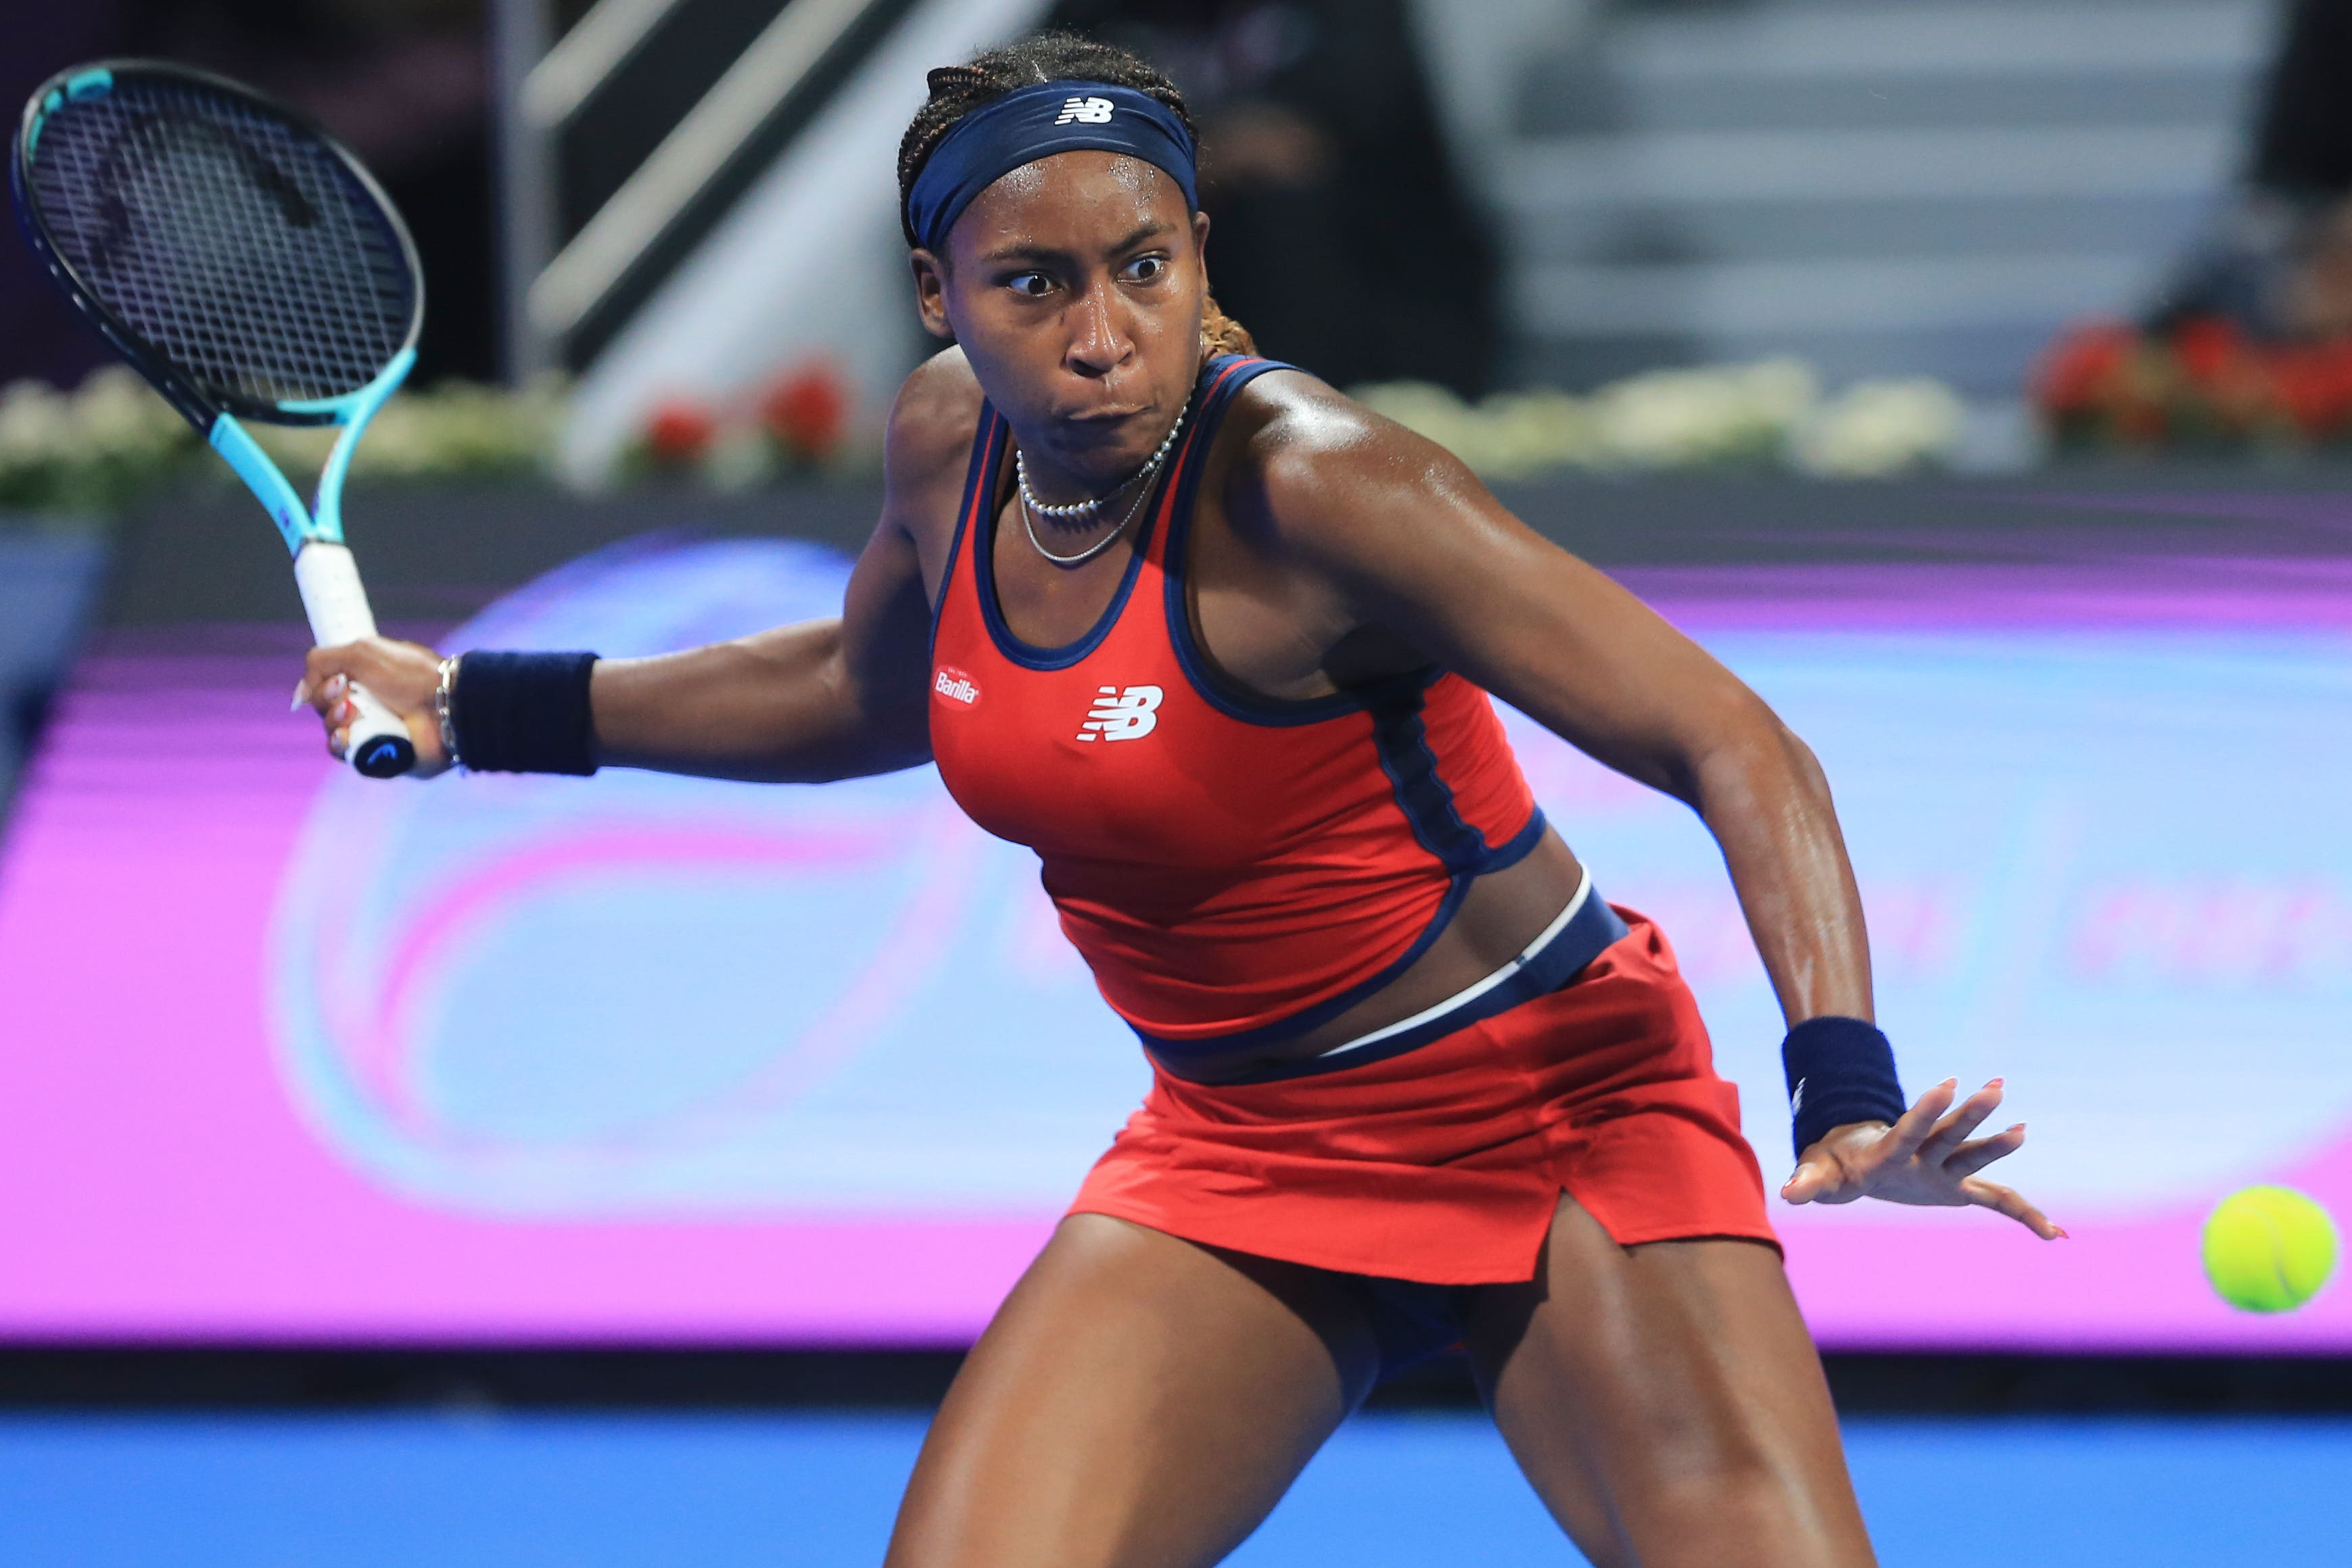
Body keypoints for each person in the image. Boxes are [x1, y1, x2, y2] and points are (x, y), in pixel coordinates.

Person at [301, 32, 2058, 1568]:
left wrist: (1841, 1078)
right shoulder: (945, 447)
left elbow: (1735, 742)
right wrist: (474, 702)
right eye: (1033, 286)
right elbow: (859, 693)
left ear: (1202, 256)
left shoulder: (1325, 486)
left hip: (1550, 1118)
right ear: (940, 297)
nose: (1101, 338)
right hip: (1239, 1147)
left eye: (1143, 266)